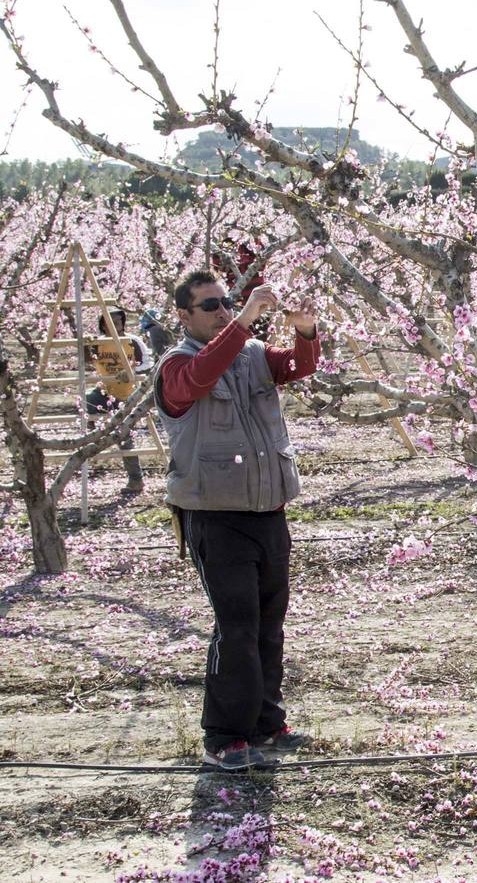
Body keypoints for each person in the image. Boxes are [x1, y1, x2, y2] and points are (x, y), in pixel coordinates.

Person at [154, 270, 320, 771]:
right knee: (238, 626)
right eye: (211, 306)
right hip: (215, 516)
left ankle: (267, 724)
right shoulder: (176, 365)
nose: (224, 309)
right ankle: (224, 735)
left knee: (269, 624)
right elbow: (201, 377)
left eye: (227, 302)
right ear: (183, 316)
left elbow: (296, 366)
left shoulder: (249, 353)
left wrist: (306, 330)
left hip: (268, 510)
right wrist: (246, 319)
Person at [83, 306, 151, 493]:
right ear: (102, 325)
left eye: (118, 322)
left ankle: (135, 480)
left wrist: (131, 372)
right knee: (86, 401)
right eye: (109, 322)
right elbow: (84, 360)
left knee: (126, 438)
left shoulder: (132, 341)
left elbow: (147, 364)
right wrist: (85, 345)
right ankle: (93, 436)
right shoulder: (98, 342)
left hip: (126, 395)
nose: (114, 326)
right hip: (104, 392)